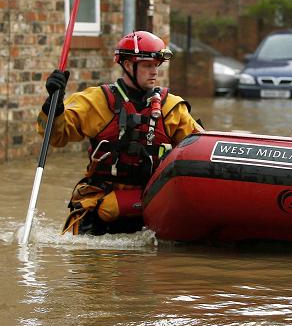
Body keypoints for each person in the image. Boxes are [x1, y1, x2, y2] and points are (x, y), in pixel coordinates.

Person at [37, 31, 203, 236]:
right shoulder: (95, 101)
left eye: (156, 65)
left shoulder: (172, 108)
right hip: (100, 202)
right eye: (147, 65)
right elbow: (56, 136)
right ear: (127, 65)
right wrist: (53, 108)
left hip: (149, 200)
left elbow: (199, 147)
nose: (154, 72)